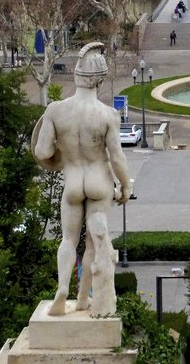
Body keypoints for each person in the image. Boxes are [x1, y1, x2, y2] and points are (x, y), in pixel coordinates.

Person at [32, 42, 131, 317]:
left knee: (68, 239)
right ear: (99, 79)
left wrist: (59, 155)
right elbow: (117, 157)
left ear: (76, 75)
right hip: (99, 183)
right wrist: (126, 185)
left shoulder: (55, 110)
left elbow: (42, 151)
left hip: (73, 183)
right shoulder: (107, 115)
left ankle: (62, 288)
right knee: (91, 244)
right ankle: (84, 296)